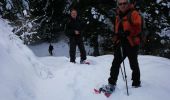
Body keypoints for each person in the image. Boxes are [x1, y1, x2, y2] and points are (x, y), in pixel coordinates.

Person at [103, 0, 142, 93]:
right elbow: (117, 29)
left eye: (124, 3)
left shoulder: (134, 13)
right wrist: (116, 38)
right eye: (120, 4)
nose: (122, 5)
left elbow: (138, 27)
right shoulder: (118, 15)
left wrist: (128, 32)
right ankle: (111, 84)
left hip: (131, 43)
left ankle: (136, 83)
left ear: (128, 3)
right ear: (118, 5)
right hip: (121, 43)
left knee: (133, 64)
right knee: (116, 63)